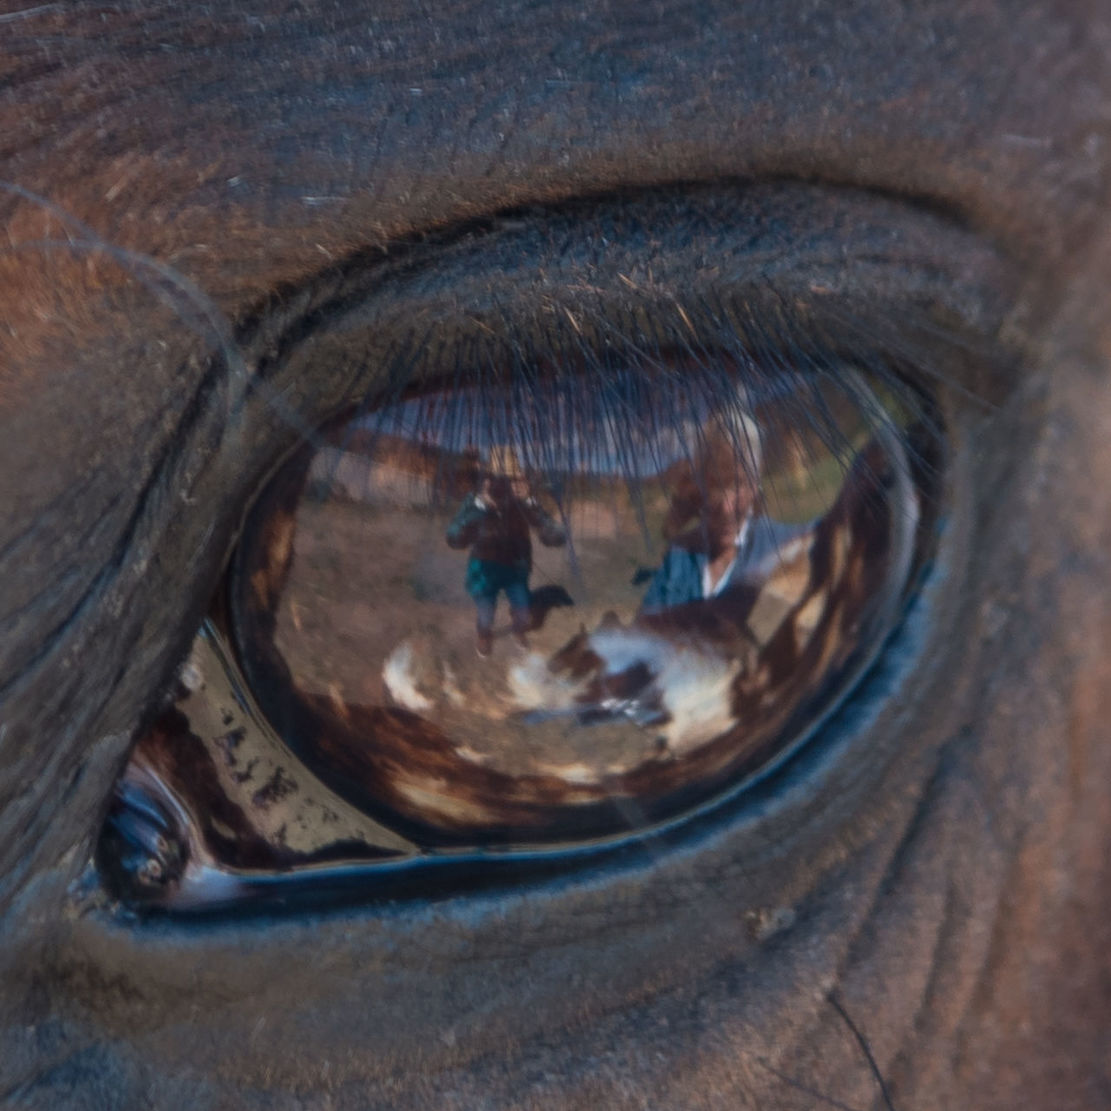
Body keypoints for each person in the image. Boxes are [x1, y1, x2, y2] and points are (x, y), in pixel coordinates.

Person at [446, 468, 567, 656]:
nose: (497, 488)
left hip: (516, 567)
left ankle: (518, 631)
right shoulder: (475, 502)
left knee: (523, 609)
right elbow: (453, 539)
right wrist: (479, 508)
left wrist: (529, 501)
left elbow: (556, 537)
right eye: (490, 481)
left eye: (507, 481)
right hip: (484, 568)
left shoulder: (522, 502)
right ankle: (484, 635)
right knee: (486, 611)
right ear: (482, 484)